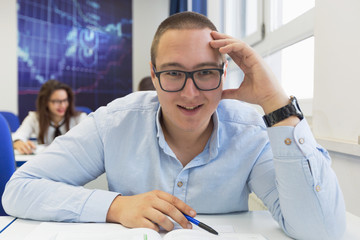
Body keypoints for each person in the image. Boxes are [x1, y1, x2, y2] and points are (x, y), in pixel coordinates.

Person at [3, 12, 345, 239]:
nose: (190, 92)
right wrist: (116, 206)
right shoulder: (114, 122)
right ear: (154, 75)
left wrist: (277, 104)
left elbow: (321, 231)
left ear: (224, 74)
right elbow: (19, 189)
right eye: (173, 73)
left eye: (206, 72)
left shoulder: (251, 130)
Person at [12, 80, 87, 154]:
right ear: (45, 102)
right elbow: (19, 136)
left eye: (65, 100)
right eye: (57, 101)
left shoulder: (80, 118)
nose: (62, 105)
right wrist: (19, 142)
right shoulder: (34, 118)